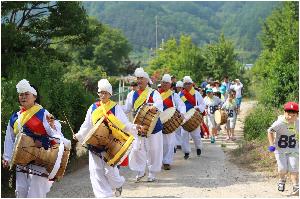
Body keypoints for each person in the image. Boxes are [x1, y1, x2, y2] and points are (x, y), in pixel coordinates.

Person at [2, 79, 71, 198]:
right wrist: (7, 157)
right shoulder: (14, 117)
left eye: (26, 94)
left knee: (36, 193)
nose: (23, 97)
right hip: (21, 159)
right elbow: (10, 138)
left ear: (34, 96)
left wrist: (53, 126)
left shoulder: (43, 113)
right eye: (21, 94)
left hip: (40, 158)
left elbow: (56, 135)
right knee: (21, 191)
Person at [74, 79, 138, 197]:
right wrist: (79, 135)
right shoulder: (93, 107)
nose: (102, 95)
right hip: (95, 143)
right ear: (98, 93)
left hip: (111, 143)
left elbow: (124, 123)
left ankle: (118, 184)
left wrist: (134, 127)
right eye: (100, 92)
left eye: (105, 93)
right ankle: (104, 196)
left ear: (110, 94)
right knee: (96, 171)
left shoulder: (115, 108)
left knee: (110, 171)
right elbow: (87, 125)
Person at [123, 67, 163, 182]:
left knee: (154, 149)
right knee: (137, 149)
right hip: (138, 126)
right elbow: (127, 108)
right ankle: (140, 171)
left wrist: (153, 107)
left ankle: (152, 172)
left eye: (141, 78)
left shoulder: (154, 93)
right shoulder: (131, 94)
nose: (139, 81)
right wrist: (116, 109)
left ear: (146, 80)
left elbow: (159, 104)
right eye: (138, 78)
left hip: (154, 126)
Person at [267, 102, 299, 196]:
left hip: (293, 149)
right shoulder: (279, 123)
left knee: (294, 167)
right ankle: (282, 180)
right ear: (284, 113)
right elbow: (270, 131)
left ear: (297, 115)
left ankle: (296, 186)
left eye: (293, 115)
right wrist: (271, 144)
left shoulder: (298, 123)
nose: (290, 117)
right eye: (288, 115)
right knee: (282, 169)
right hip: (280, 150)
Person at [158, 74, 185, 170]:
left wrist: (182, 113)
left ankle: (166, 162)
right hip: (157, 122)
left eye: (167, 83)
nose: (164, 84)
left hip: (170, 123)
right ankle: (158, 161)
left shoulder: (174, 95)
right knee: (158, 143)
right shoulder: (156, 94)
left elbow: (181, 105)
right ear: (161, 83)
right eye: (163, 82)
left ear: (170, 84)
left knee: (169, 143)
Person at [179, 76, 206, 159]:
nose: (187, 85)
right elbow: (179, 105)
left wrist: (198, 107)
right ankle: (186, 152)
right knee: (184, 136)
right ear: (184, 85)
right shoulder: (180, 94)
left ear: (192, 84)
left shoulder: (196, 93)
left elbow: (203, 104)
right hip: (184, 118)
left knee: (196, 135)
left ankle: (198, 147)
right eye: (186, 84)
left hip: (194, 117)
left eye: (189, 83)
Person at [174, 80, 184, 150]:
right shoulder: (174, 94)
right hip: (175, 113)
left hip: (181, 112)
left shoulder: (183, 95)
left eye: (180, 87)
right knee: (176, 130)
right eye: (178, 87)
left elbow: (182, 104)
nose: (179, 89)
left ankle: (181, 143)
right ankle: (177, 144)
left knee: (181, 130)